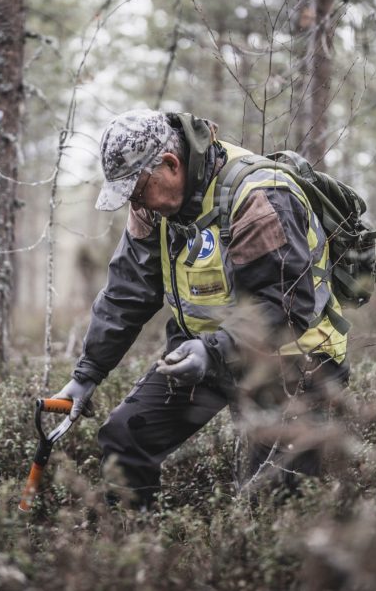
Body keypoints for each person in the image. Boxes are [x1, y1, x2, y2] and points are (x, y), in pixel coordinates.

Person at [55, 108, 350, 506]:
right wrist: (88, 373)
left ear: (170, 164)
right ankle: (134, 555)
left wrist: (212, 351)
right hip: (207, 355)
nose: (137, 203)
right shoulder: (150, 205)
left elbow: (285, 306)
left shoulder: (259, 196)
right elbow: (129, 290)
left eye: (138, 191)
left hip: (292, 360)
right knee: (126, 437)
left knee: (272, 503)